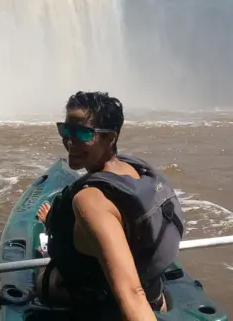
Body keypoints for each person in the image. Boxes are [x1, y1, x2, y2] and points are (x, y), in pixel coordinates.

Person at [35, 91, 185, 321]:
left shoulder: (90, 199)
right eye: (65, 130)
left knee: (42, 272)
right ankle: (52, 226)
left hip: (103, 303)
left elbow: (132, 294)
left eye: (82, 133)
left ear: (110, 138)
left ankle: (45, 246)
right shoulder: (135, 169)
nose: (69, 140)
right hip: (155, 295)